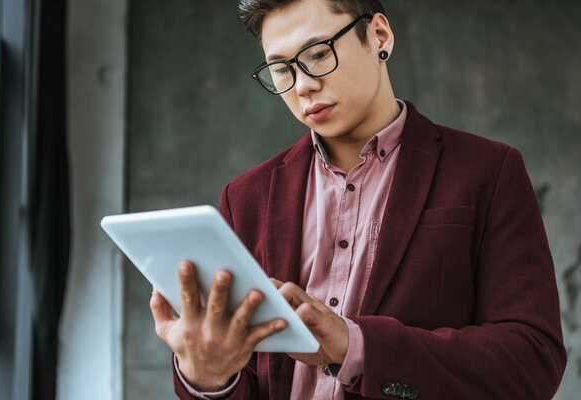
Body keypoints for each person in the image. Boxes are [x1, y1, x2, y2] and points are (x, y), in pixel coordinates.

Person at [149, 0, 567, 398]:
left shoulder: (488, 171)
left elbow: (532, 360)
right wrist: (207, 377)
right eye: (281, 69)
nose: (305, 86)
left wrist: (355, 345)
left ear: (379, 36)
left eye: (317, 53)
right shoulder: (245, 198)